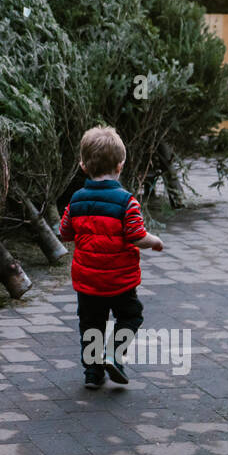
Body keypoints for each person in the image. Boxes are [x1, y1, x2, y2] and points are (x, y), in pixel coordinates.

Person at [58, 126, 164, 389]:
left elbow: (65, 233)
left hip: (88, 280)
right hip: (119, 280)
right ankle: (114, 355)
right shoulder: (126, 202)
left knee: (91, 325)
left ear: (83, 166)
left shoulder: (76, 200)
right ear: (120, 166)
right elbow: (137, 236)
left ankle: (93, 374)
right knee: (131, 315)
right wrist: (155, 241)